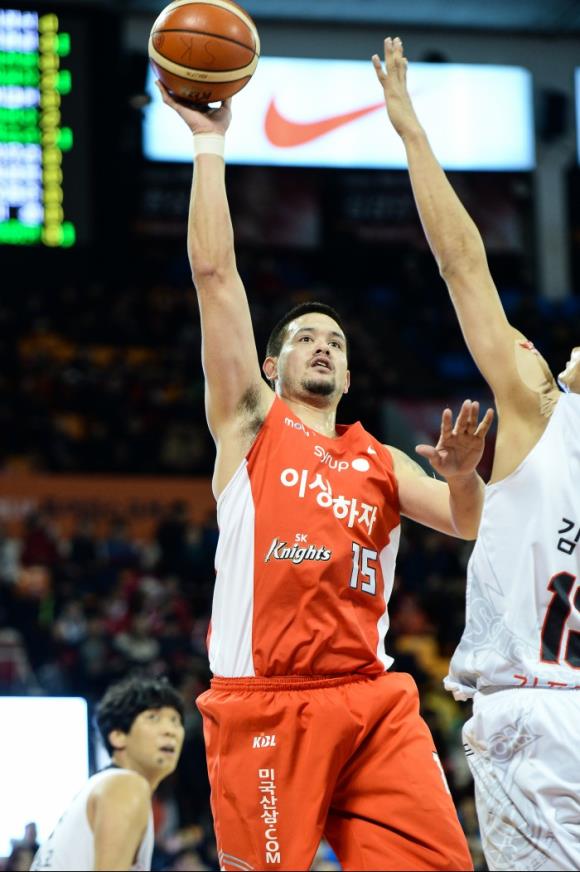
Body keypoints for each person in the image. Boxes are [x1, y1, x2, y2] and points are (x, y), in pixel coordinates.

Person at [155, 77, 495, 872]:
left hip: (371, 699)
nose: (322, 346)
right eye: (305, 338)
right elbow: (214, 275)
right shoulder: (249, 425)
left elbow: (468, 520)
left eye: (335, 342)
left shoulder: (382, 458)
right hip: (266, 702)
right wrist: (209, 143)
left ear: (347, 373)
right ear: (270, 366)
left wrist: (462, 475)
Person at [374, 35, 580, 872]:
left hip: (535, 712)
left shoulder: (539, 407)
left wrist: (410, 129)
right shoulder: (543, 412)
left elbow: (463, 266)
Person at [30, 675, 185, 871]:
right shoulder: (126, 785)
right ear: (118, 736)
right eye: (153, 718)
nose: (170, 730)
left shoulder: (104, 784)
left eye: (175, 721)